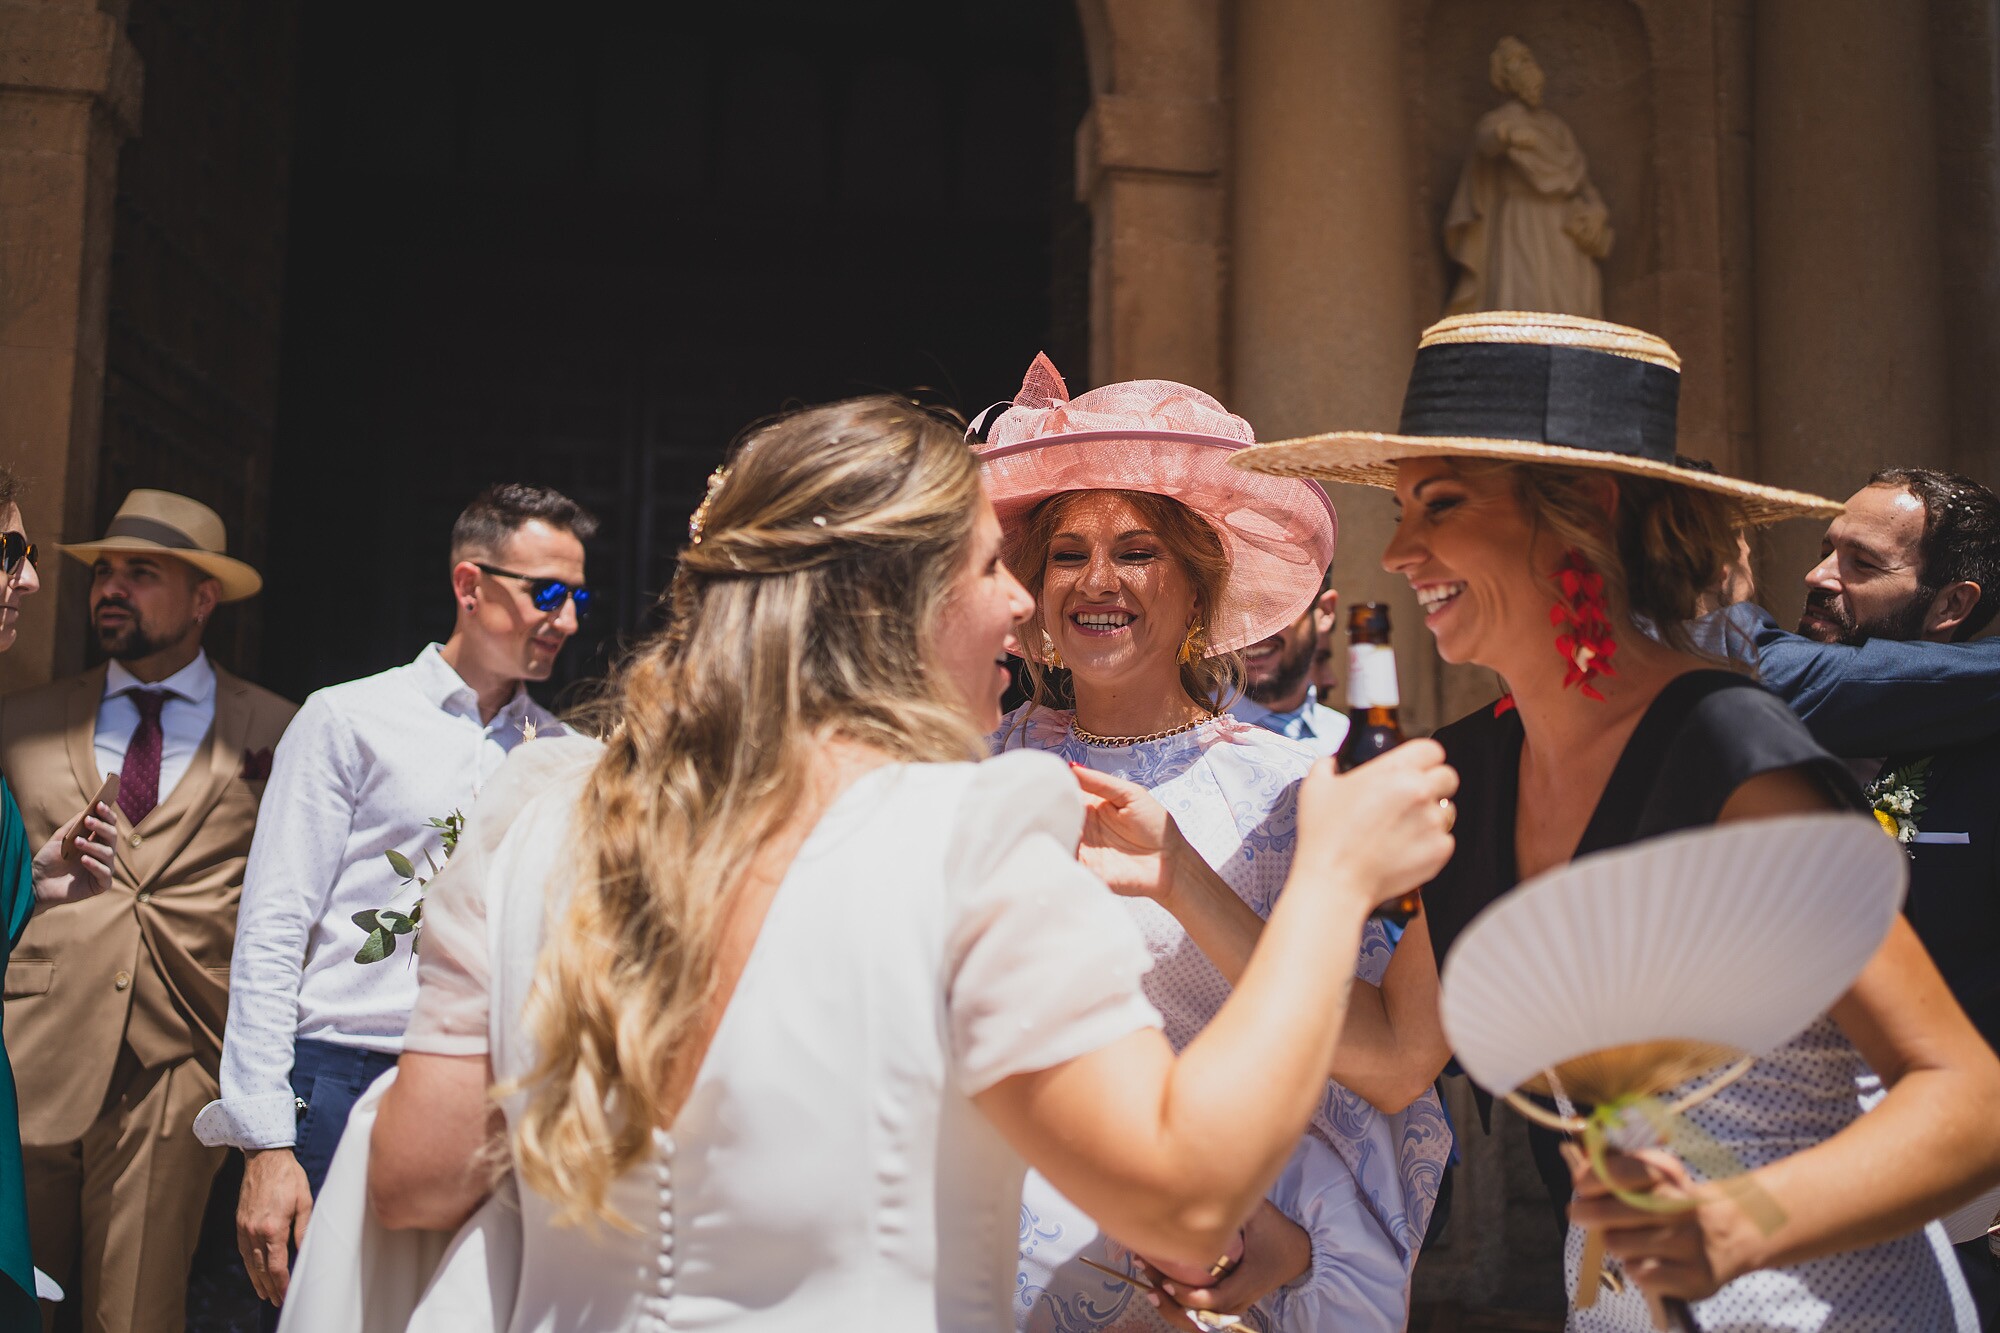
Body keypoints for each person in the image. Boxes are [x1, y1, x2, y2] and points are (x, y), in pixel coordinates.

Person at [313, 396, 1464, 1333]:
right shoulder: (979, 827)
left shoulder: (542, 812)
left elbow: (415, 1174)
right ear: (896, 606)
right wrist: (1326, 884)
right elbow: (1176, 1185)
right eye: (994, 566)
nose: (1024, 605)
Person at [1133, 312, 2000, 1328]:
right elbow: (1393, 1050)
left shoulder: (1725, 752)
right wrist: (1174, 874)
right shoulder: (1466, 774)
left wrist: (1734, 1224)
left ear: (1579, 512)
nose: (1402, 552)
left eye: (1439, 506)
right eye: (1403, 510)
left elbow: (1966, 1098)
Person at [977, 355, 1447, 1331]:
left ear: (1198, 591)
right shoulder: (971, 772)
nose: (1096, 580)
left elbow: (1361, 1072)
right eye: (1066, 552)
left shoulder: (1283, 797)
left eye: (1136, 550)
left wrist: (1274, 1240)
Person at [192, 483, 592, 1319]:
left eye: (578, 597)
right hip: (336, 1077)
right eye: (546, 593)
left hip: (490, 1092)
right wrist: (266, 1141)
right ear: (469, 584)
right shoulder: (347, 719)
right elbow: (270, 930)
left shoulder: (571, 758)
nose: (567, 620)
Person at [0, 489, 289, 1333]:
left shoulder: (277, 728)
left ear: (204, 597)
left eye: (142, 572)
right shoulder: (20, 719)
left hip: (177, 1058)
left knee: (135, 1317)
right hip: (29, 1047)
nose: (110, 588)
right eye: (102, 571)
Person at [1225, 568, 1348, 758]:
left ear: (1324, 611)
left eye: (1272, 605)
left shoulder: (1345, 740)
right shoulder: (1184, 737)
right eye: (1231, 607)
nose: (1250, 628)